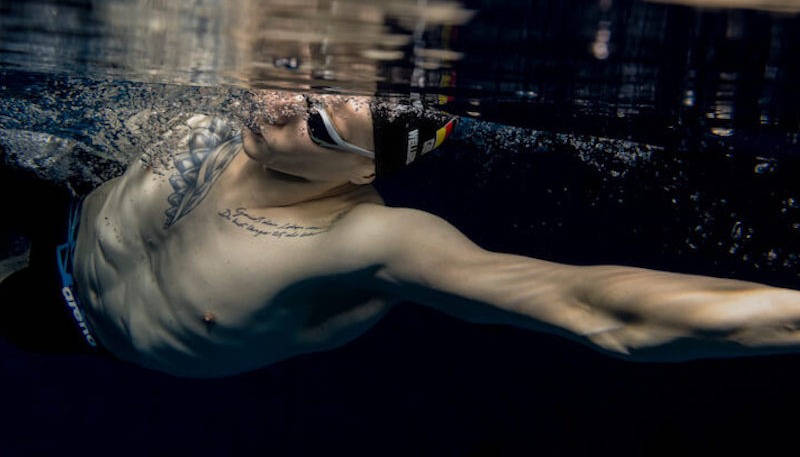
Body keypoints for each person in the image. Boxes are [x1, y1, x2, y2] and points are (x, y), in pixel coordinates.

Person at [3, 91, 800, 378]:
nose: (278, 107)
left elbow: (592, 305)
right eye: (301, 82)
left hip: (73, 326)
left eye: (315, 123)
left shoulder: (361, 241)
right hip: (63, 212)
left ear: (359, 174)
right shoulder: (227, 109)